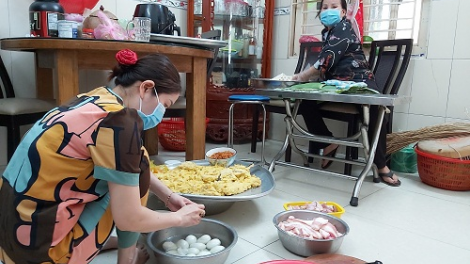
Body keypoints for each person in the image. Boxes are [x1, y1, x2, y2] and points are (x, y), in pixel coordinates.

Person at [0, 49, 206, 264]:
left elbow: (128, 163)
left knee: (133, 160)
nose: (161, 114)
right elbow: (129, 218)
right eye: (165, 105)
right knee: (136, 169)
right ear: (146, 88)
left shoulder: (95, 99)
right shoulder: (121, 122)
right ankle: (127, 259)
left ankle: (90, 237)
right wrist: (179, 218)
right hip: (44, 255)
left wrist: (169, 197)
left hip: (12, 240)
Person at [292, 0, 401, 186]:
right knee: (303, 100)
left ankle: (381, 165)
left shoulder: (344, 28)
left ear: (343, 12)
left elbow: (326, 59)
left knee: (375, 110)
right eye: (324, 8)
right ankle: (327, 143)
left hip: (360, 82)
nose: (328, 11)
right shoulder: (327, 33)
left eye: (334, 7)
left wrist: (302, 76)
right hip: (336, 85)